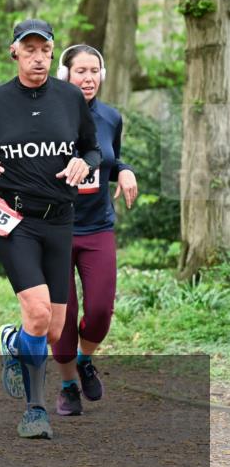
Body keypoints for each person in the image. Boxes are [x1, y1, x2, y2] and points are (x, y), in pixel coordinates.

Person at [0, 19, 101, 440]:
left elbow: (91, 147)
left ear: (52, 54)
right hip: (13, 220)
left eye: (45, 50)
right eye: (29, 49)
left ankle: (14, 341)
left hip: (60, 219)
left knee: (53, 329)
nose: (37, 57)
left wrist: (85, 162)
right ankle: (35, 410)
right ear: (14, 52)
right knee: (37, 314)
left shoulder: (71, 99)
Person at [52, 44, 138, 416]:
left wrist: (124, 169)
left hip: (98, 227)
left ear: (101, 76)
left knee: (100, 311)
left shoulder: (111, 117)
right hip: (55, 228)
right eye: (80, 71)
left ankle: (85, 360)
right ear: (66, 76)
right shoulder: (48, 116)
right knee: (63, 317)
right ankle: (69, 384)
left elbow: (109, 156)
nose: (87, 78)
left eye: (93, 71)